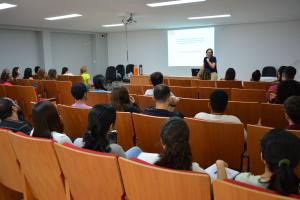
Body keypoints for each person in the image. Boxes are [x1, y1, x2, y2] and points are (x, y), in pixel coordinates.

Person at [216, 129, 300, 196]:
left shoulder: (242, 180)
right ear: (296, 161)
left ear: (262, 156)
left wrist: (219, 164)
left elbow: (221, 192)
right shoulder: (297, 189)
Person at [140, 117, 214, 184]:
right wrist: (220, 164)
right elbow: (218, 189)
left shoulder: (150, 164)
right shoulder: (196, 171)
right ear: (187, 141)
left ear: (162, 142)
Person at [74, 104, 142, 159]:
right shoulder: (115, 150)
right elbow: (126, 169)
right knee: (136, 149)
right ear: (111, 126)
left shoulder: (77, 142)